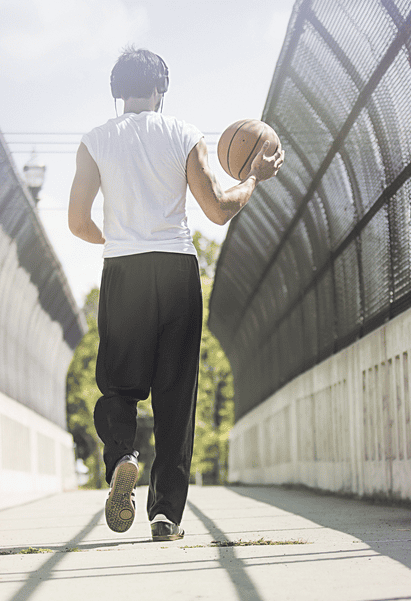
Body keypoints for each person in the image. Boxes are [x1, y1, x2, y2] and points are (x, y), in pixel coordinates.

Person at [68, 46, 283, 541]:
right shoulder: (185, 134)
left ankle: (123, 453)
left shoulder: (94, 141)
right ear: (160, 90)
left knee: (119, 386)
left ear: (117, 91)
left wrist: (121, 239)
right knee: (175, 396)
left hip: (124, 271)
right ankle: (166, 515)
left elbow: (78, 223)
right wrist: (253, 175)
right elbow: (217, 210)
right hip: (177, 269)